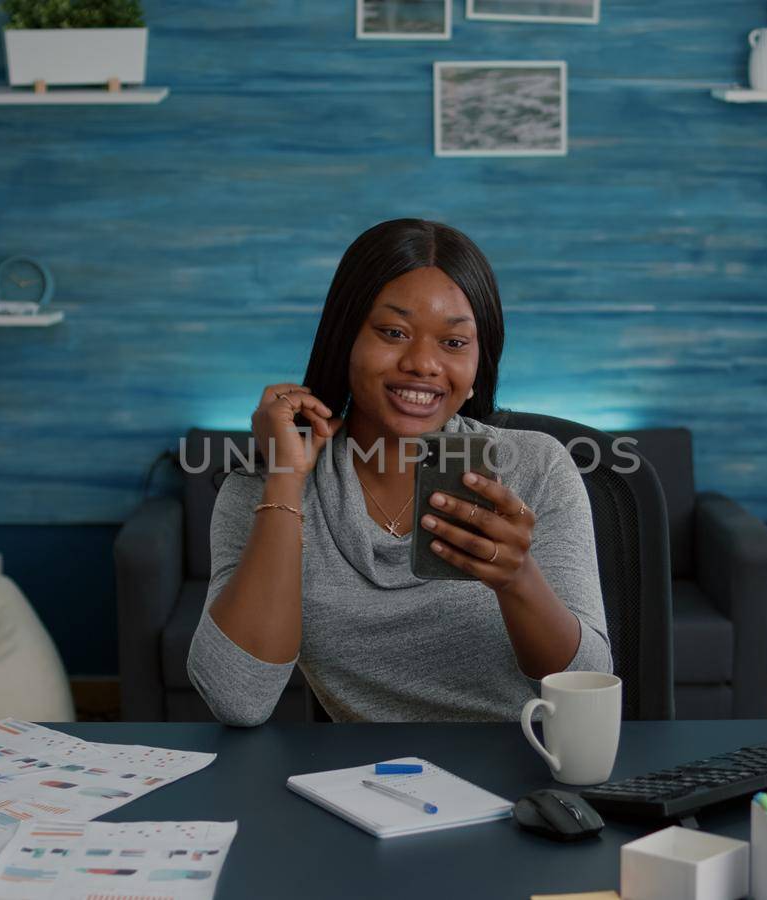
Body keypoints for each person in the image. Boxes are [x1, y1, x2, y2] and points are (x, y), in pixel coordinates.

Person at [187, 218, 611, 725]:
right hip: (366, 785)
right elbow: (239, 701)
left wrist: (517, 580)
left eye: (454, 343)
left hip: (527, 768)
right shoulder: (260, 490)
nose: (423, 364)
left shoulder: (536, 469)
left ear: (478, 365)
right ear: (345, 339)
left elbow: (587, 690)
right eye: (393, 333)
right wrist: (285, 478)